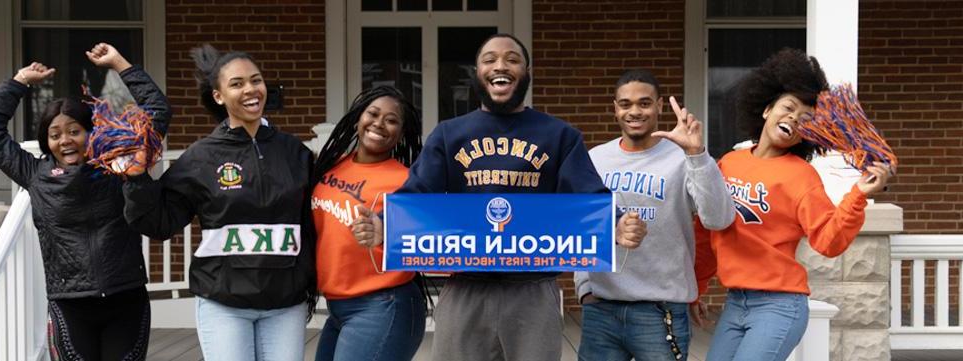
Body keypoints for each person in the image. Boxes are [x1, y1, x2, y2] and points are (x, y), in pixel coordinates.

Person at [351, 33, 647, 361]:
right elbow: (416, 194)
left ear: (527, 72)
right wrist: (383, 226)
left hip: (533, 291)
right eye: (489, 59)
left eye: (512, 59)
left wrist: (617, 225)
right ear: (477, 73)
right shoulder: (450, 135)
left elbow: (588, 194)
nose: (500, 65)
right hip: (466, 287)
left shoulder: (560, 135)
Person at [694, 48, 893, 361]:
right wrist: (698, 285)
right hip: (735, 302)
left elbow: (828, 240)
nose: (793, 118)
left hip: (779, 306)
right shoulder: (728, 164)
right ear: (766, 110)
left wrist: (857, 194)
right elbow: (708, 232)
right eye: (788, 107)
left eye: (806, 119)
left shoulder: (802, 177)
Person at [0, 43, 168, 361]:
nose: (65, 139)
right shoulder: (35, 173)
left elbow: (157, 113)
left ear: (91, 132)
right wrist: (20, 80)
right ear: (46, 142)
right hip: (70, 304)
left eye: (74, 130)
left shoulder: (116, 166)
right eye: (55, 134)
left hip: (126, 299)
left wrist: (119, 64)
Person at [121, 44, 316, 361]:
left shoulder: (295, 153)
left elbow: (315, 220)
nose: (251, 90)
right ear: (218, 96)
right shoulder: (202, 157)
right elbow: (159, 221)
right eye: (237, 84)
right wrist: (136, 178)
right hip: (224, 302)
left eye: (256, 80)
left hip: (285, 302)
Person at [573, 69, 735, 361]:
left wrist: (697, 155)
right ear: (615, 109)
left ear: (659, 106)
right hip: (602, 308)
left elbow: (718, 218)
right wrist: (585, 287)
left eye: (644, 103)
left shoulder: (683, 157)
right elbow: (582, 225)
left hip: (661, 311)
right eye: (625, 104)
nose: (634, 111)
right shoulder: (596, 158)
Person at [310, 86, 426, 361]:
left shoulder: (407, 181)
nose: (379, 123)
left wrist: (386, 230)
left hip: (383, 304)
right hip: (338, 306)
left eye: (391, 120)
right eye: (373, 113)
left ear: (401, 132)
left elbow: (427, 239)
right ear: (358, 118)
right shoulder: (332, 166)